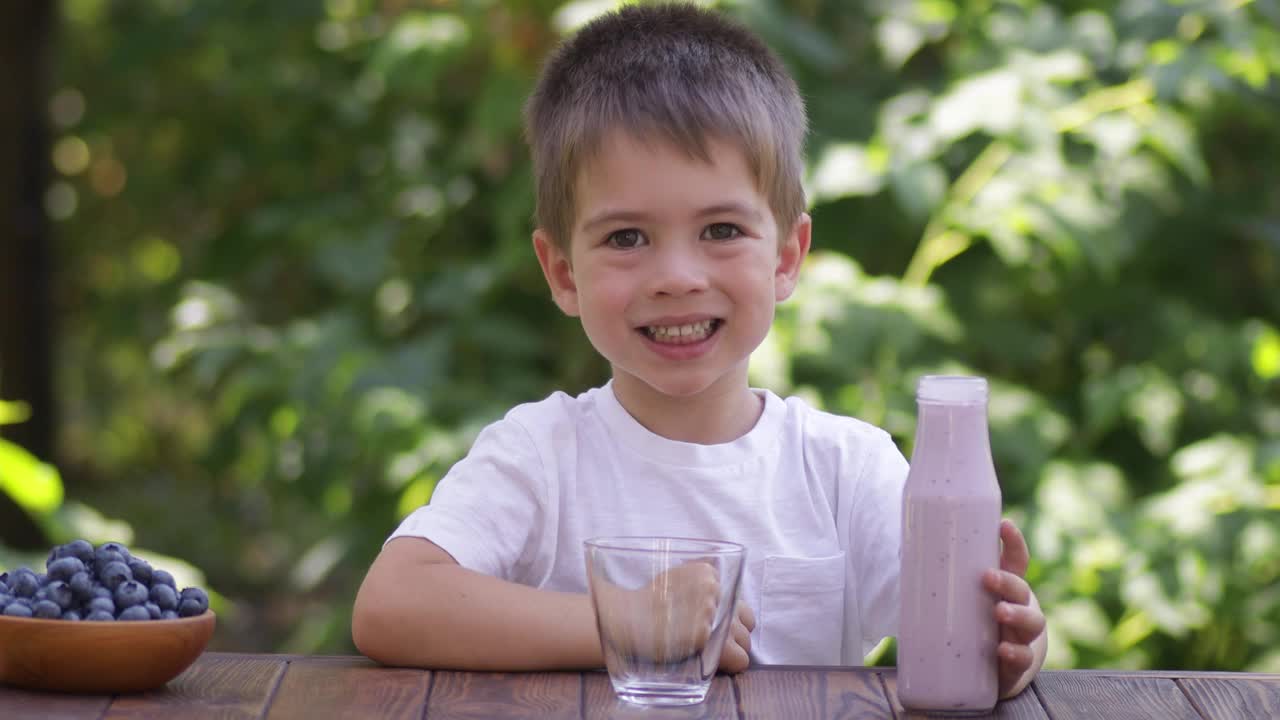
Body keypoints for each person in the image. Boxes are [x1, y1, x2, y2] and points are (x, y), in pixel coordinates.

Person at [352, 2, 1047, 696]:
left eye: (720, 230)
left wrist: (1010, 646)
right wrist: (623, 620)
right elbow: (392, 604)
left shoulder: (845, 471)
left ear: (786, 256)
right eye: (627, 238)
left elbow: (961, 645)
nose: (678, 278)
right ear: (563, 272)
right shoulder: (541, 456)